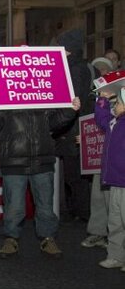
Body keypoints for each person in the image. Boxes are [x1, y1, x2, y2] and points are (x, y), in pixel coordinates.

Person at [0, 97, 81, 259]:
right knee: (14, 206)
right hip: (14, 159)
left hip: (41, 158)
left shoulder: (42, 94)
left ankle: (48, 238)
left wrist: (70, 110)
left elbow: (53, 122)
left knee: (45, 205)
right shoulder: (3, 93)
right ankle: (11, 238)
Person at [53, 29, 92, 224]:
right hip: (73, 126)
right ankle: (77, 210)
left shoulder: (74, 69)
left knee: (74, 174)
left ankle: (81, 212)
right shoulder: (79, 67)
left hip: (72, 128)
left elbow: (74, 100)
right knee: (73, 174)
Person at [81, 58, 115, 248]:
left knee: (113, 199)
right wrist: (84, 136)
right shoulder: (90, 95)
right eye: (99, 70)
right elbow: (87, 120)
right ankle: (97, 232)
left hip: (115, 154)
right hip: (97, 154)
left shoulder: (119, 94)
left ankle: (114, 237)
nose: (102, 73)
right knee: (98, 195)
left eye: (106, 70)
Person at [95, 88, 125, 269]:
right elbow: (102, 119)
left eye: (119, 103)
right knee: (115, 221)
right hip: (115, 181)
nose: (116, 106)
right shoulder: (115, 122)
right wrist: (102, 101)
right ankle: (116, 255)